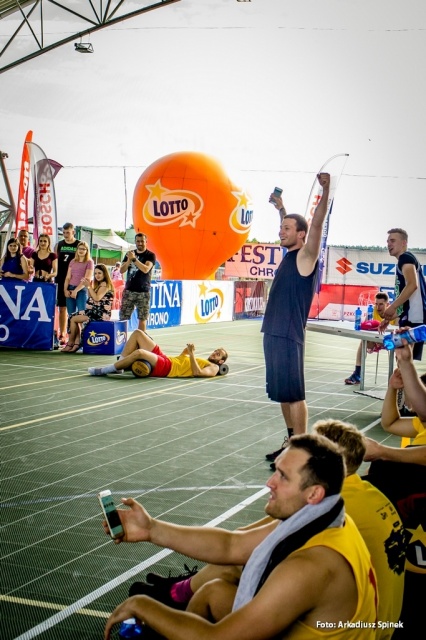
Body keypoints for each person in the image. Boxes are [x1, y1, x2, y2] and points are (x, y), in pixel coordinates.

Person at [138, 421, 405, 640]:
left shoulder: (311, 565)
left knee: (236, 569)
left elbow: (216, 635)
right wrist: (151, 528)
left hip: (367, 627)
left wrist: (141, 606)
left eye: (284, 475)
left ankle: (174, 597)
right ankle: (178, 597)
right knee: (216, 589)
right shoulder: (333, 510)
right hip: (378, 624)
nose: (269, 482)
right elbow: (233, 544)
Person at [262, 173, 331, 462]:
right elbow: (292, 224)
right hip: (272, 332)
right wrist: (281, 208)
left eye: (287, 229)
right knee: (282, 392)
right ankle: (292, 441)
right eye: (281, 228)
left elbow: (316, 223)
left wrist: (325, 190)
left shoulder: (306, 256)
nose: (281, 231)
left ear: (301, 234)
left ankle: (302, 450)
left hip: (289, 334)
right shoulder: (290, 255)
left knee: (294, 394)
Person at [88, 330, 227, 377]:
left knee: (140, 352)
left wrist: (191, 355)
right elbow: (183, 365)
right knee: (138, 334)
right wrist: (184, 353)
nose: (215, 353)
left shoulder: (214, 367)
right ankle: (120, 366)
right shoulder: (204, 360)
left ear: (221, 362)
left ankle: (107, 370)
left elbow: (197, 373)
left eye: (218, 354)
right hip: (167, 359)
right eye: (216, 351)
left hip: (167, 368)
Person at [379, 228, 426, 360]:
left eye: (393, 240)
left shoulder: (405, 258)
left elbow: (412, 285)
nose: (389, 244)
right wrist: (390, 317)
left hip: (414, 321)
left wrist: (393, 306)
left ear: (404, 242)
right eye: (388, 241)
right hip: (412, 318)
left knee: (404, 363)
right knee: (404, 363)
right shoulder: (405, 260)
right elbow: (409, 302)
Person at [345, 291, 395, 385]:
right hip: (375, 340)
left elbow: (397, 329)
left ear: (387, 304)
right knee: (363, 341)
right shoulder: (372, 311)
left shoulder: (393, 312)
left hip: (390, 340)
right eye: (376, 304)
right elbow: (366, 326)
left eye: (381, 304)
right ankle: (357, 374)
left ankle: (401, 376)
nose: (378, 307)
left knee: (402, 348)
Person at [62, 264, 114, 353]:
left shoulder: (105, 284)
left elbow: (97, 298)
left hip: (100, 313)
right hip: (92, 311)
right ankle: (76, 343)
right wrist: (88, 286)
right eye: (95, 273)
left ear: (104, 274)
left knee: (73, 319)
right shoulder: (99, 284)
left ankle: (71, 343)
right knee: (72, 317)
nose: (97, 275)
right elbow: (91, 296)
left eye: (99, 273)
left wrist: (89, 286)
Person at [119, 233, 155, 332]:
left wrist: (134, 259)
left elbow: (146, 269)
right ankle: (122, 339)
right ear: (135, 242)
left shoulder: (150, 255)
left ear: (146, 242)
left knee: (142, 318)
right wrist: (129, 260)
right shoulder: (129, 254)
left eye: (142, 241)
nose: (140, 243)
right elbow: (121, 270)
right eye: (138, 241)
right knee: (123, 318)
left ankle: (141, 339)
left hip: (143, 291)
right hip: (129, 290)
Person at [55, 223, 80, 344]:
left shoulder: (79, 244)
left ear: (73, 232)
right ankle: (63, 333)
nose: (65, 235)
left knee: (75, 309)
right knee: (62, 307)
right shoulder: (59, 244)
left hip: (74, 280)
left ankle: (75, 335)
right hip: (60, 279)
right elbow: (55, 260)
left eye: (68, 233)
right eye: (64, 233)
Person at [63, 241, 94, 317]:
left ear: (87, 251)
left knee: (82, 314)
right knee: (71, 315)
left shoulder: (89, 262)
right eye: (79, 248)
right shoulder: (72, 261)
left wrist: (76, 291)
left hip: (81, 290)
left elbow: (87, 279)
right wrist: (65, 290)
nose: (81, 250)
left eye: (83, 249)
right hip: (70, 288)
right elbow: (68, 277)